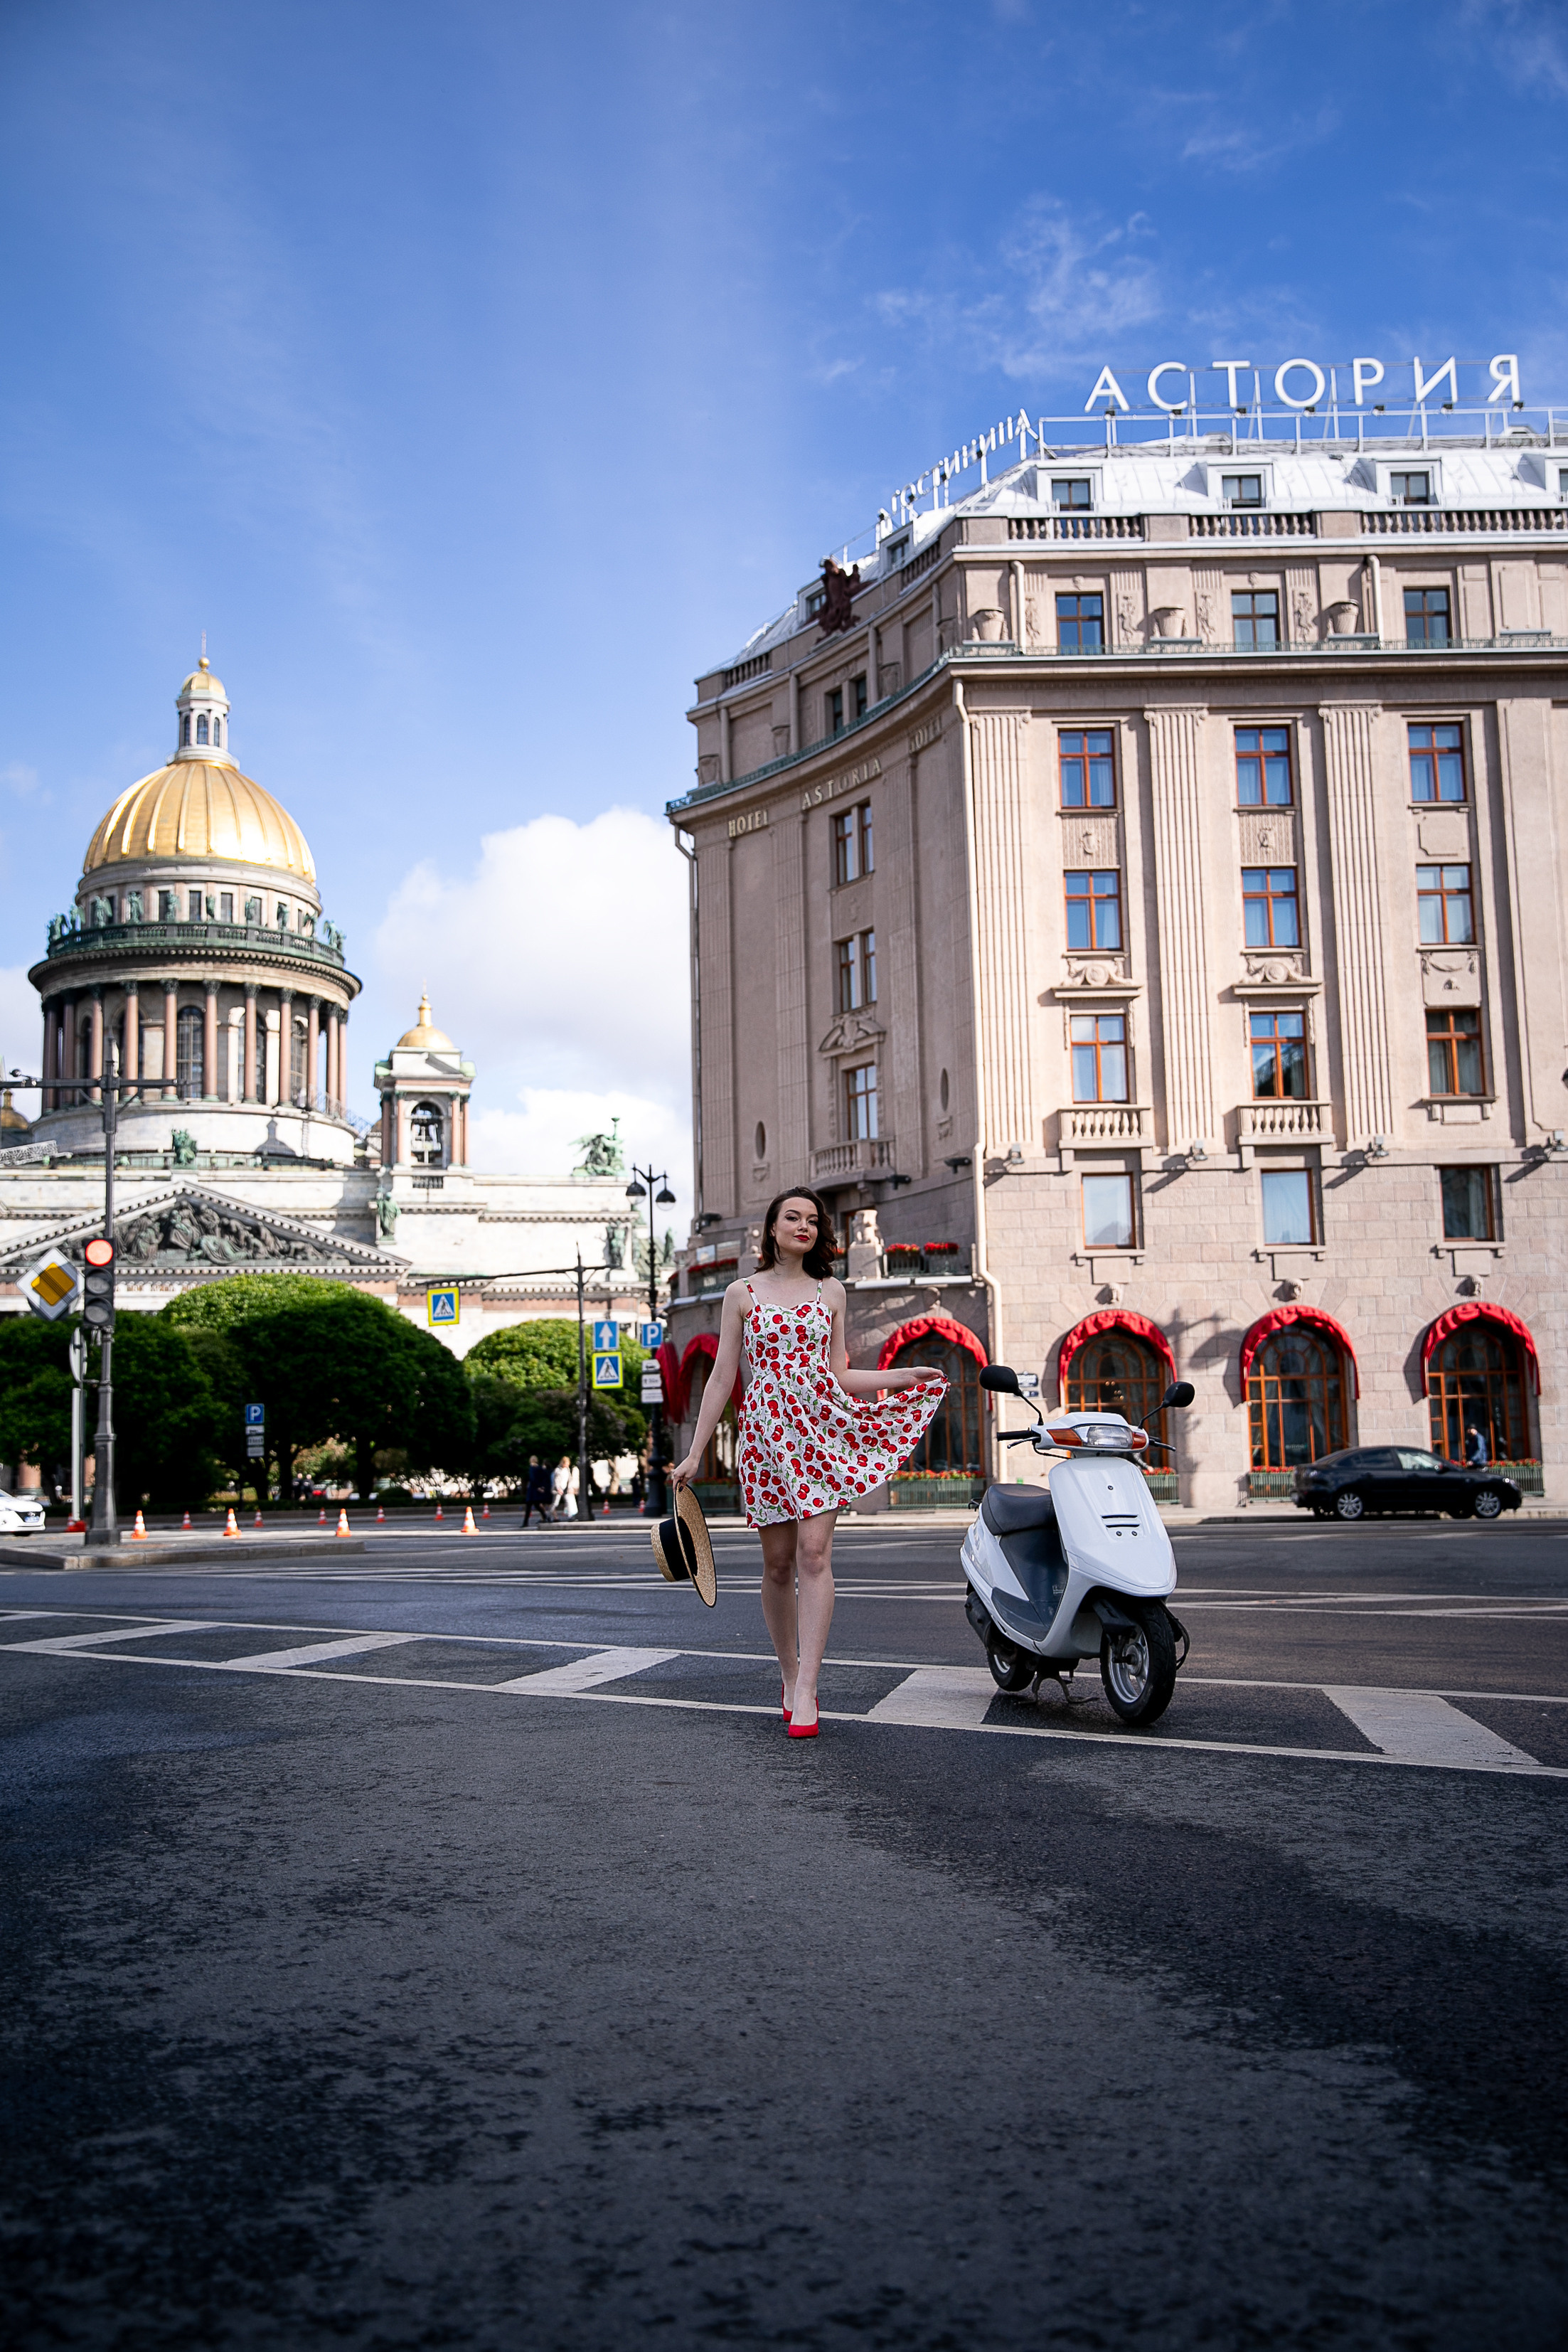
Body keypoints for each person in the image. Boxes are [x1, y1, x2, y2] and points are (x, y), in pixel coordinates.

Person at [670, 1188, 946, 1738]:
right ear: (771, 1228)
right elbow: (723, 1376)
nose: (804, 1225)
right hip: (765, 1441)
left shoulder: (832, 1291)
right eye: (792, 1217)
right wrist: (696, 1449)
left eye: (813, 1220)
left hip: (820, 1433)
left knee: (813, 1555)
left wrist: (900, 1377)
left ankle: (807, 1688)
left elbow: (838, 1374)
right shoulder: (740, 1293)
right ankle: (787, 1669)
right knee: (777, 1565)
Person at [521, 1455, 551, 1528]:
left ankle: (526, 1522)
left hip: (532, 1490)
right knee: (537, 1505)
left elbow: (532, 1479)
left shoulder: (532, 1468)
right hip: (537, 1490)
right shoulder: (540, 1468)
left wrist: (537, 1486)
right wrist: (541, 1487)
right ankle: (546, 1517)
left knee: (529, 1507)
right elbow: (545, 1477)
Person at [550, 1455, 578, 1521]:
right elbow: (556, 1480)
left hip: (565, 1488)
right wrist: (558, 1488)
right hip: (558, 1489)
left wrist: (570, 1487)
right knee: (555, 1504)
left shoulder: (567, 1470)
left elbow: (570, 1479)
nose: (567, 1466)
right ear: (563, 1463)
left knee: (568, 1502)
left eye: (568, 1464)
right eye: (566, 1464)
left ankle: (570, 1516)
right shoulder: (558, 1470)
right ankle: (548, 1516)